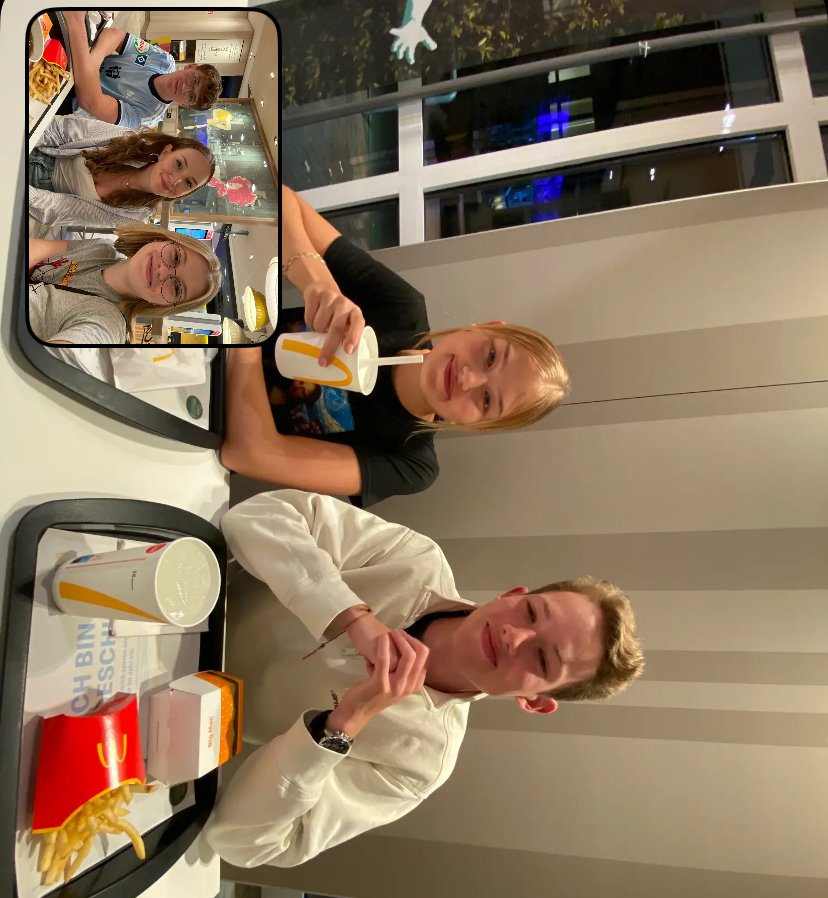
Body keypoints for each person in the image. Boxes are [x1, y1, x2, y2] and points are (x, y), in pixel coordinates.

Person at [204, 489, 644, 867]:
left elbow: (243, 844)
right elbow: (254, 516)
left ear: (536, 701)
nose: (515, 637)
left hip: (176, 723)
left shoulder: (420, 763)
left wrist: (341, 726)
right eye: (531, 612)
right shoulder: (414, 560)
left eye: (543, 659)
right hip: (184, 601)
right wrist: (352, 616)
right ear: (511, 594)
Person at [220, 185, 571, 507]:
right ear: (485, 327)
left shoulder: (413, 462)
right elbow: (277, 198)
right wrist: (318, 282)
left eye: (487, 400)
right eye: (491, 356)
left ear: (480, 426)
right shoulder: (401, 308)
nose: (468, 379)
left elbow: (248, 454)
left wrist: (248, 323)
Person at [28, 225, 222, 344]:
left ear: (166, 305)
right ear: (164, 240)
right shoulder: (103, 248)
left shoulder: (109, 325)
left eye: (177, 288)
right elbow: (33, 249)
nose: (162, 272)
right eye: (176, 257)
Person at [29, 115, 216, 238]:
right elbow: (60, 130)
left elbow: (59, 210)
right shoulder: (129, 140)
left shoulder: (134, 216)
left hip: (35, 195)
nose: (175, 180)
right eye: (179, 164)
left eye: (188, 183)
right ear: (166, 152)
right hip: (37, 144)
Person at [61, 11, 222, 128]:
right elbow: (117, 37)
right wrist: (94, 61)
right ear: (191, 67)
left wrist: (76, 23)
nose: (184, 87)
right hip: (77, 55)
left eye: (191, 96)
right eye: (194, 79)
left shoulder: (147, 116)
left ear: (185, 104)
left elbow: (91, 101)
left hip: (65, 94)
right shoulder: (164, 60)